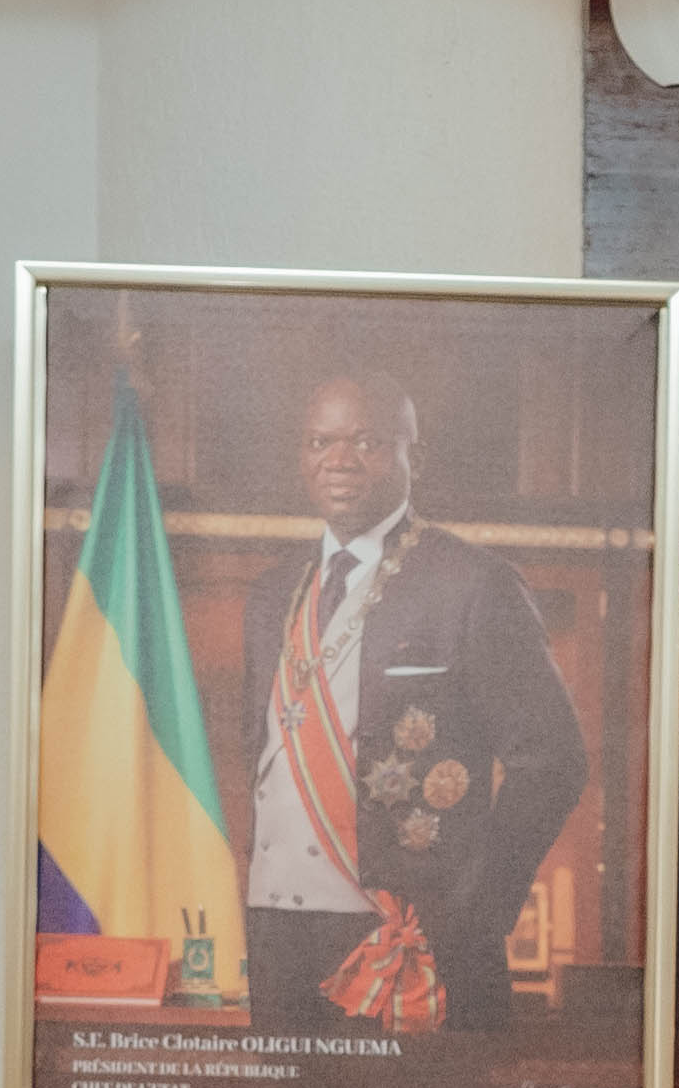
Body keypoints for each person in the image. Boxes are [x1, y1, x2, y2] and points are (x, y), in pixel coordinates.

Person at [211, 373, 582, 1031]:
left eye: (367, 442)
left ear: (417, 456)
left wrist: (474, 910)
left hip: (411, 937)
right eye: (320, 442)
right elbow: (262, 753)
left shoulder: (472, 584)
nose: (339, 460)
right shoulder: (272, 594)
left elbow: (553, 762)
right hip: (279, 937)